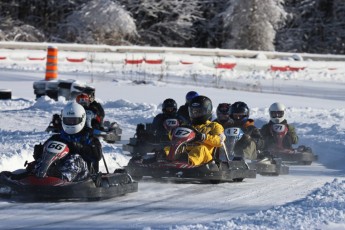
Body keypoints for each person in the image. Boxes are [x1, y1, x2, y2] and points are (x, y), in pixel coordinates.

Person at [31, 102, 103, 181]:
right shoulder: (58, 137)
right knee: (45, 157)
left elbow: (97, 156)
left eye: (74, 120)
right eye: (68, 120)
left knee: (76, 158)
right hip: (57, 171)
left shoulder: (89, 138)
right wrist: (40, 151)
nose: (71, 123)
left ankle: (62, 178)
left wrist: (80, 147)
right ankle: (34, 175)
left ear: (82, 119)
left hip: (84, 176)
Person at [177, 95, 226, 166]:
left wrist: (204, 137)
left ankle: (188, 162)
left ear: (207, 111)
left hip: (206, 158)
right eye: (194, 111)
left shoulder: (214, 126)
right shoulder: (188, 125)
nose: (196, 114)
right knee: (169, 148)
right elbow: (175, 136)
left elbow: (219, 141)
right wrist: (172, 132)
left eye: (199, 112)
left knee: (201, 149)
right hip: (186, 152)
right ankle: (163, 159)